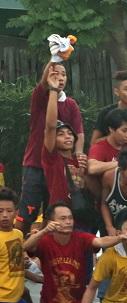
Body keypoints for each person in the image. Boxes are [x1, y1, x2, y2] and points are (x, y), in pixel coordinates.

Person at [20, 60, 83, 228]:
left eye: (63, 74)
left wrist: (78, 156)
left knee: (55, 212)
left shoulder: (71, 104)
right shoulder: (40, 97)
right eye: (55, 74)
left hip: (58, 168)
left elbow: (79, 133)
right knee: (27, 214)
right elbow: (49, 126)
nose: (60, 78)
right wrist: (54, 57)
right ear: (47, 76)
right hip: (35, 164)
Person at [0, 189, 34, 303]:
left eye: (9, 210)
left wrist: (37, 277)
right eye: (0, 211)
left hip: (16, 299)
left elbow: (15, 266)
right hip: (2, 301)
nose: (5, 215)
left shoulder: (17, 234)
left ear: (16, 212)